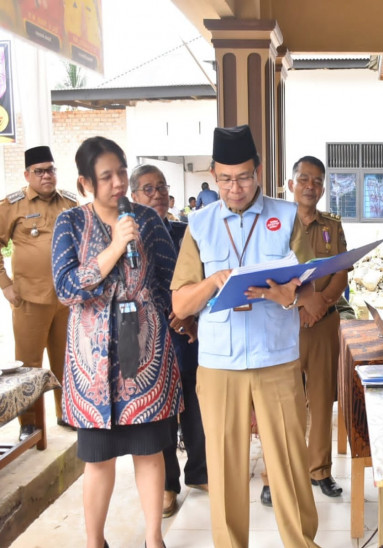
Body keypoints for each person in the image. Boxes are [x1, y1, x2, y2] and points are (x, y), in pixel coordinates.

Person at [170, 125, 319, 547]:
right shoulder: (198, 224)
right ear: (213, 175)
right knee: (225, 465)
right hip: (219, 366)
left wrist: (287, 294)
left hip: (277, 359)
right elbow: (181, 305)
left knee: (289, 462)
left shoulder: (286, 216)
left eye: (244, 177)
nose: (235, 189)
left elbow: (308, 289)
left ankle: (301, 542)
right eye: (225, 179)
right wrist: (213, 282)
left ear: (259, 170)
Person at [51, 137, 183, 548]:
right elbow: (67, 289)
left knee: (150, 451)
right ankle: (95, 541)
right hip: (93, 367)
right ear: (85, 181)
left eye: (122, 172)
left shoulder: (147, 219)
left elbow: (168, 279)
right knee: (98, 458)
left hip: (146, 357)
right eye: (106, 176)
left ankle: (153, 538)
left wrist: (171, 318)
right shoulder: (70, 223)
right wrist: (112, 248)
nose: (118, 183)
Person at [260, 155, 348, 506]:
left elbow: (342, 269)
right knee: (282, 403)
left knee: (322, 400)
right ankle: (273, 476)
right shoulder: (275, 223)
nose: (311, 186)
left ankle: (320, 471)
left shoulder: (333, 225)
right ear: (291, 183)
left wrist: (322, 302)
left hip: (323, 324)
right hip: (285, 325)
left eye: (317, 181)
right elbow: (268, 274)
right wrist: (301, 305)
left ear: (323, 187)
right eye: (304, 179)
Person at [129, 164, 207, 518]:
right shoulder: (128, 237)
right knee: (160, 416)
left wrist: (188, 314)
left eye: (162, 187)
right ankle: (166, 486)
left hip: (188, 335)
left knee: (194, 404)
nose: (157, 193)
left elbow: (200, 278)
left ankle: (200, 472)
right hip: (151, 337)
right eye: (148, 189)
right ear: (133, 197)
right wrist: (170, 313)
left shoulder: (187, 231)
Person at [0, 145, 77, 441]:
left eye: (51, 169)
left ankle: (66, 413)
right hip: (29, 299)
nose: (47, 176)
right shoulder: (12, 205)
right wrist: (5, 283)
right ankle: (29, 425)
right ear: (27, 174)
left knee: (65, 361)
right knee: (28, 366)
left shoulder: (69, 202)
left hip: (65, 299)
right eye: (40, 171)